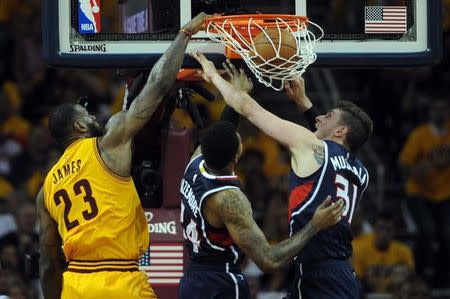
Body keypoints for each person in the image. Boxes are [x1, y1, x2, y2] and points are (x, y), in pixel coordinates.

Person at [36, 13, 209, 299]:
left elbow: (47, 260)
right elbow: (156, 86)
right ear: (79, 126)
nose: (93, 117)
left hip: (76, 284)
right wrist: (185, 34)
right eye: (87, 116)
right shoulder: (108, 143)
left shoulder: (47, 188)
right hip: (119, 280)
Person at [191, 52, 373, 299]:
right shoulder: (361, 172)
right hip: (338, 273)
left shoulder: (315, 148)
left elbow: (248, 108)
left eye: (327, 116)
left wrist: (213, 76)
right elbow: (329, 149)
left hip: (321, 278)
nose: (319, 117)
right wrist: (304, 103)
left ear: (341, 130)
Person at [399, 98, 450, 286]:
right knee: (427, 231)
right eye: (436, 108)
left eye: (443, 108)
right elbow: (404, 166)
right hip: (418, 193)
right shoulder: (420, 135)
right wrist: (431, 164)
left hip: (445, 193)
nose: (440, 113)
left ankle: (443, 277)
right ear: (430, 112)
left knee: (447, 233)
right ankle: (422, 272)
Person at [352, 212, 415, 292]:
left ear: (394, 231)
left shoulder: (403, 251)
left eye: (388, 229)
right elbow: (358, 280)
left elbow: (411, 277)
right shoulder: (360, 252)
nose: (384, 233)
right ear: (374, 229)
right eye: (380, 228)